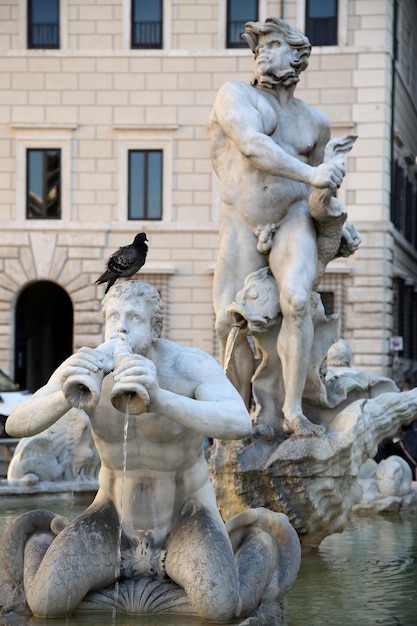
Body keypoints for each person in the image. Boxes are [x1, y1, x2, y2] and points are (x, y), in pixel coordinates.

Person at [3, 280, 298, 622]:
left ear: (155, 328)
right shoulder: (88, 365)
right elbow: (16, 424)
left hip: (184, 518)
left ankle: (254, 547)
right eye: (113, 317)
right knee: (46, 604)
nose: (121, 326)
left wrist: (160, 399)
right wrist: (63, 396)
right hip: (112, 519)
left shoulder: (187, 365)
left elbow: (238, 422)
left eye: (133, 318)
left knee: (219, 610)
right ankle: (45, 544)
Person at [208, 18, 354, 438]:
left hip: (293, 217)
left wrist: (335, 218)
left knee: (296, 299)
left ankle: (291, 410)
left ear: (298, 55)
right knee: (226, 322)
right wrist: (313, 177)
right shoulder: (236, 96)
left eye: (273, 45)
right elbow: (254, 147)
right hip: (241, 218)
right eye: (259, 48)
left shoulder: (315, 122)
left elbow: (320, 185)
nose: (263, 53)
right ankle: (237, 413)